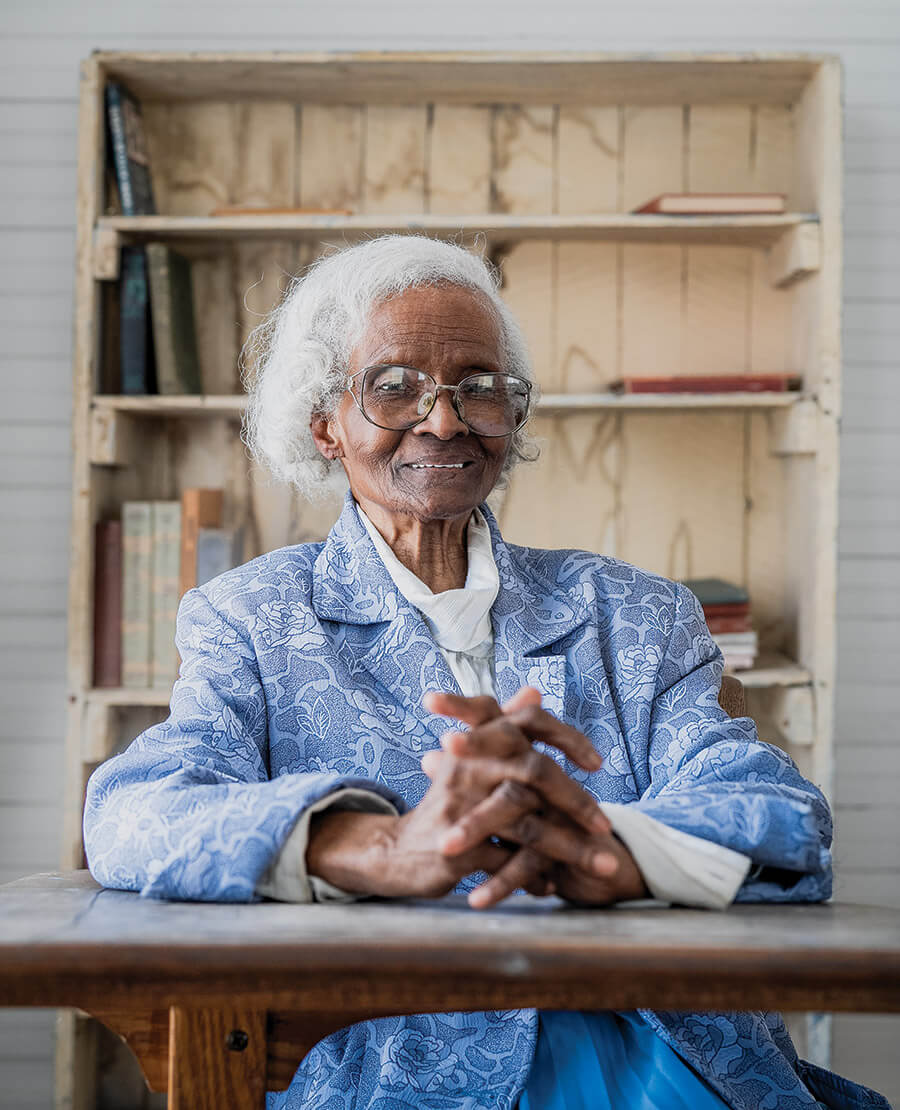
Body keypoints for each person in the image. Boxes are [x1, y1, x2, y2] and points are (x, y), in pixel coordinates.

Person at [84, 236, 889, 1110]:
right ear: (326, 424)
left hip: (664, 1053)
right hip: (390, 1071)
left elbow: (784, 819)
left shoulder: (634, 612)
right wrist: (382, 846)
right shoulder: (252, 616)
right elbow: (134, 814)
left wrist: (616, 853)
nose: (444, 420)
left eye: (479, 387)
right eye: (393, 386)